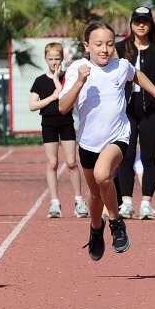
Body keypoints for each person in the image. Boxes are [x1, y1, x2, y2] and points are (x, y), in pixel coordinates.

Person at [56, 20, 155, 261]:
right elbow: (63, 107)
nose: (104, 49)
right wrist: (79, 82)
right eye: (98, 44)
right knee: (95, 193)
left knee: (102, 176)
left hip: (118, 136)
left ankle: (116, 223)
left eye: (109, 44)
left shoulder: (121, 67)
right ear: (86, 45)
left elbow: (137, 75)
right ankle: (96, 229)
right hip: (87, 142)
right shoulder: (77, 68)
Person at [115, 6, 155, 220]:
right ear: (131, 24)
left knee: (149, 158)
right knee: (126, 155)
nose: (141, 25)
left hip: (152, 110)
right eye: (137, 21)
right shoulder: (120, 48)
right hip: (126, 111)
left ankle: (146, 204)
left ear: (151, 24)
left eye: (145, 21)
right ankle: (125, 203)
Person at [28, 41, 89, 220]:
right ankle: (55, 202)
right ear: (45, 59)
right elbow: (32, 105)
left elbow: (65, 93)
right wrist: (50, 98)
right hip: (48, 123)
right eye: (50, 59)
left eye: (57, 58)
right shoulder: (39, 81)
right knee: (52, 163)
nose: (54, 62)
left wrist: (57, 81)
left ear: (62, 59)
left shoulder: (67, 77)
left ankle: (79, 200)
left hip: (66, 122)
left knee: (71, 162)